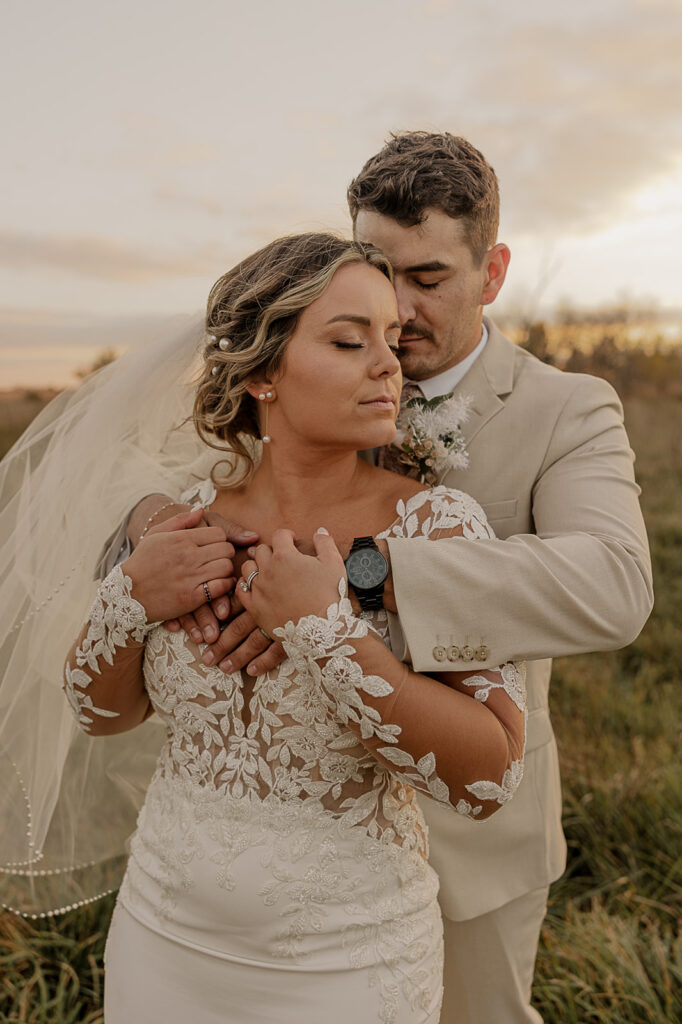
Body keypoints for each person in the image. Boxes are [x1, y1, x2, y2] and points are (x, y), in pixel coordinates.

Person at [136, 133, 653, 1024]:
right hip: (286, 848)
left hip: (471, 826)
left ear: (491, 272)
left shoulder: (564, 408)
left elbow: (614, 582)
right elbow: (172, 477)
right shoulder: (300, 361)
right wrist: (156, 527)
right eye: (382, 270)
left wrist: (357, 584)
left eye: (430, 278)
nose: (401, 311)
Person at [61, 233, 526, 1023]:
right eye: (350, 341)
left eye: (390, 339)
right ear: (262, 372)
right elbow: (103, 714)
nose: (389, 364)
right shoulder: (181, 520)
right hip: (160, 939)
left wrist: (328, 633)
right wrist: (131, 598)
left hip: (348, 962)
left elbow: (488, 778)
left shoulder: (439, 525)